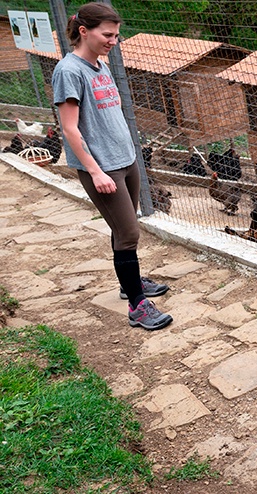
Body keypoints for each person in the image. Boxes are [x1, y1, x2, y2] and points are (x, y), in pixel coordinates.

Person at [52, 3, 172, 330]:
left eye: (116, 35)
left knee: (123, 229)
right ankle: (137, 306)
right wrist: (95, 170)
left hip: (125, 159)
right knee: (129, 232)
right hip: (103, 168)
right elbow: (70, 129)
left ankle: (128, 282)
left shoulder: (100, 66)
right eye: (107, 35)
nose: (113, 41)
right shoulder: (69, 71)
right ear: (83, 31)